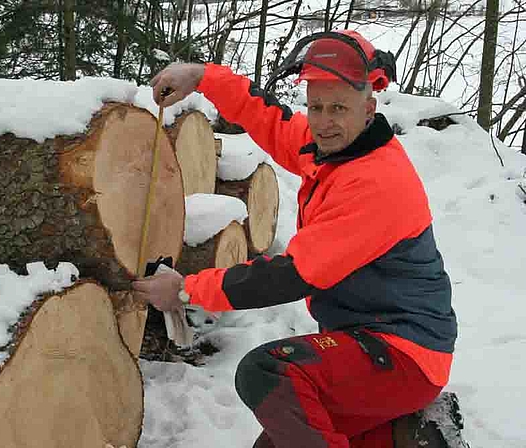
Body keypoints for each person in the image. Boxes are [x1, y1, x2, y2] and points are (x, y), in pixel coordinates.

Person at [132, 30, 457, 448]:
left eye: (338, 107)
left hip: (403, 352)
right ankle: (409, 435)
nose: (323, 121)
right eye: (316, 107)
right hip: (363, 341)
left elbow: (294, 274)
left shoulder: (376, 183)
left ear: (369, 108)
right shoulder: (334, 147)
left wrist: (187, 290)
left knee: (268, 372)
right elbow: (270, 119)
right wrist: (203, 77)